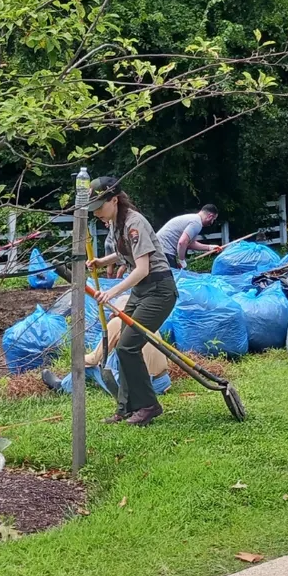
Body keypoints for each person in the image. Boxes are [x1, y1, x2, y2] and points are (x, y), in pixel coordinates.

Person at [85, 176, 177, 426]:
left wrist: (112, 292)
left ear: (114, 200)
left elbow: (142, 268)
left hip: (159, 290)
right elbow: (127, 252)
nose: (97, 215)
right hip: (141, 291)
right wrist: (104, 262)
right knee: (124, 348)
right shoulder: (116, 222)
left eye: (99, 208)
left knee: (127, 346)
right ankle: (125, 407)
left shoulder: (134, 222)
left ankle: (149, 405)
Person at [41, 296, 173, 397]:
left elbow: (94, 359)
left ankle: (63, 387)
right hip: (162, 382)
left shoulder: (118, 322)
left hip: (142, 388)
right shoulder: (147, 322)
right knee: (118, 353)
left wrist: (76, 359)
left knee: (90, 367)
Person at [156, 205, 219, 269]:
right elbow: (182, 242)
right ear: (210, 216)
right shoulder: (196, 223)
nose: (212, 222)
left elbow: (190, 244)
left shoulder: (194, 219)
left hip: (159, 248)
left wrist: (209, 247)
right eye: (213, 219)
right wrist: (182, 260)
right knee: (169, 276)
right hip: (164, 250)